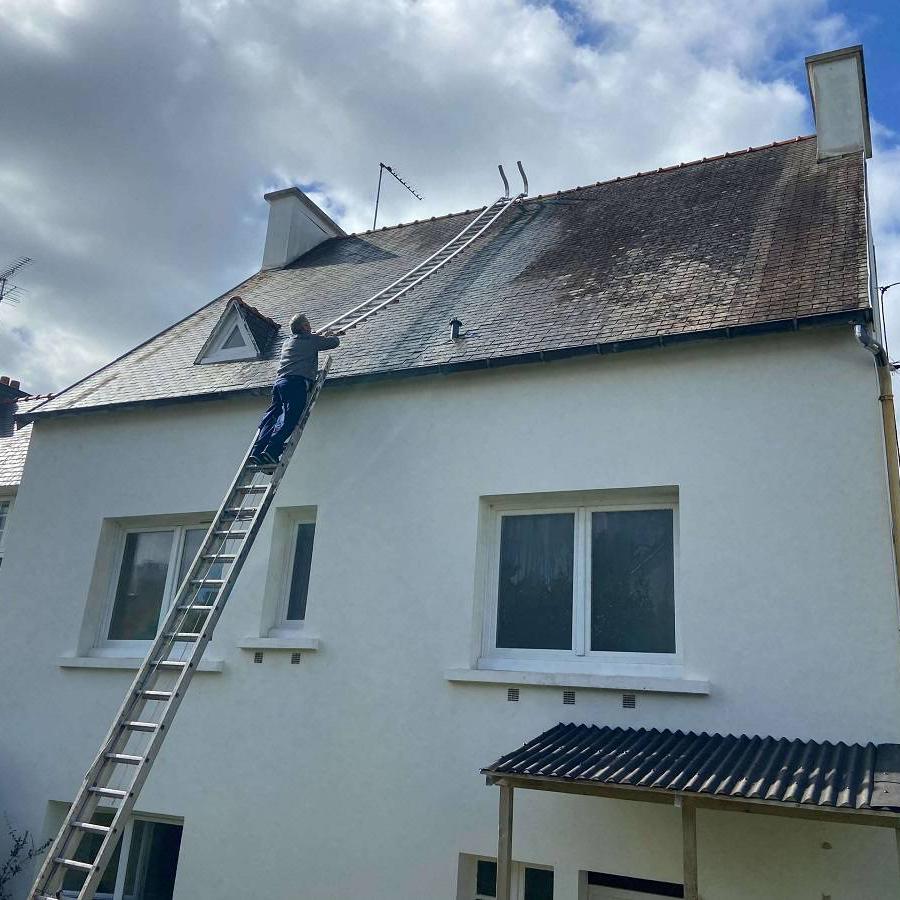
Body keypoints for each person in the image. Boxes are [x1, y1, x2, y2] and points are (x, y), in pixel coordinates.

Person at [249, 314, 340, 465]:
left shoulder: (287, 342)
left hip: (279, 383)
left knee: (272, 416)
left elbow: (306, 342)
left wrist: (314, 337)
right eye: (308, 324)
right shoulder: (311, 340)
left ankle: (257, 451)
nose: (310, 327)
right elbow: (334, 343)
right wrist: (330, 335)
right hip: (296, 383)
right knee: (290, 418)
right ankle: (271, 451)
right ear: (304, 327)